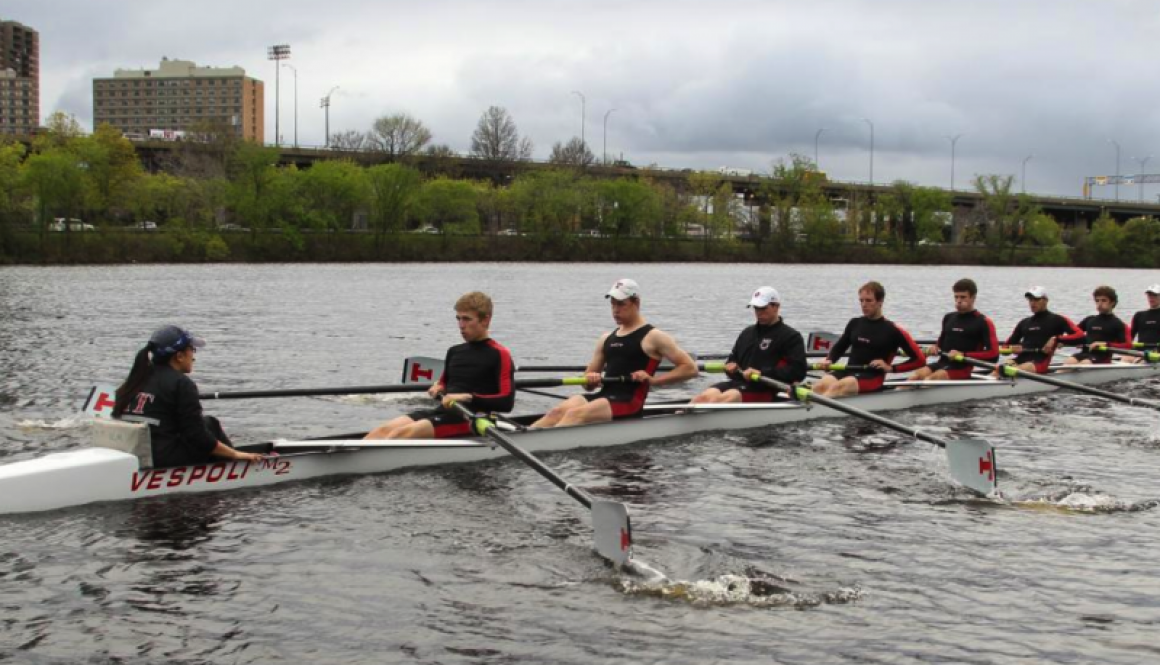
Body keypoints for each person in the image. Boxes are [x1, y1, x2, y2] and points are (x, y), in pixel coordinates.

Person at [531, 278, 697, 428]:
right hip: (604, 396)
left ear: (636, 303)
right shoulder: (605, 338)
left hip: (629, 401)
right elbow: (587, 384)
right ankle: (525, 440)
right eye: (613, 304)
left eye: (621, 304)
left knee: (574, 414)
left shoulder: (654, 337)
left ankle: (539, 447)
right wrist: (590, 380)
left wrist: (654, 381)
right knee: (557, 412)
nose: (615, 310)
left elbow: (690, 368)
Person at [365, 291, 514, 440]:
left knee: (399, 434)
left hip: (472, 419)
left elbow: (506, 402)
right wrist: (439, 387)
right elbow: (443, 384)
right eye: (458, 319)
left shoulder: (500, 354)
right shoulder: (454, 351)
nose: (461, 325)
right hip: (443, 412)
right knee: (381, 431)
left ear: (485, 320)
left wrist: (467, 397)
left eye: (467, 319)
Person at [113, 325, 263, 468]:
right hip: (162, 458)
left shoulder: (137, 378)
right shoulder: (182, 384)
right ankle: (235, 467)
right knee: (211, 424)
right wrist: (235, 454)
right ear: (179, 356)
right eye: (192, 350)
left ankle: (228, 456)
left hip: (135, 451)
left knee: (203, 425)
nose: (193, 356)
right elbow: (196, 436)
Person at [690, 286, 807, 404]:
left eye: (763, 308)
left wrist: (762, 373)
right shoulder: (747, 333)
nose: (759, 313)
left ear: (776, 306)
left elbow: (798, 371)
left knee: (726, 397)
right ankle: (681, 416)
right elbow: (733, 360)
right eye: (756, 308)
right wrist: (730, 367)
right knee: (702, 397)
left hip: (767, 388)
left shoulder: (791, 336)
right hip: (741, 384)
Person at [813, 281, 925, 397]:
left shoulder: (893, 330)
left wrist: (891, 368)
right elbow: (840, 347)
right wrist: (829, 360)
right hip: (849, 370)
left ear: (880, 302)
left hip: (872, 377)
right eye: (861, 301)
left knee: (840, 386)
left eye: (868, 300)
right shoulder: (854, 323)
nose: (864, 304)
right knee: (820, 385)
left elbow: (920, 360)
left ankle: (815, 410)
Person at [907, 278, 998, 382]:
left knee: (933, 378)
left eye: (963, 297)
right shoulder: (948, 318)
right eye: (956, 297)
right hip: (941, 363)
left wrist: (963, 355)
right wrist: (934, 348)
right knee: (915, 375)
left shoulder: (984, 322)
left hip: (962, 369)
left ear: (973, 298)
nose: (959, 301)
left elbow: (993, 354)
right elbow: (940, 345)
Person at [1000, 286, 1084, 374]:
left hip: (1039, 364)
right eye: (1030, 300)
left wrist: (1056, 339)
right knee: (1003, 367)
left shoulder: (1058, 320)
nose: (1032, 303)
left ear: (1045, 300)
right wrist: (1010, 349)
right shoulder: (1024, 322)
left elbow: (1081, 336)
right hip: (1020, 360)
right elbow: (1004, 348)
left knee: (1012, 369)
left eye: (1036, 299)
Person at [1065, 285, 1131, 365]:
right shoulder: (1089, 320)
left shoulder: (1118, 324)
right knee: (1070, 360)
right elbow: (1073, 334)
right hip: (1084, 354)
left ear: (1112, 303)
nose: (1099, 304)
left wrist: (1105, 344)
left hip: (1102, 358)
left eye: (1103, 300)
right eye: (1097, 300)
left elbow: (1127, 346)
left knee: (1085, 363)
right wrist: (1061, 341)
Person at [1127, 284, 1160, 362]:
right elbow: (1130, 337)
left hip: (1157, 352)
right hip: (1140, 351)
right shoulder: (1139, 315)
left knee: (1140, 361)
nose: (1151, 298)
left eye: (1154, 295)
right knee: (1125, 358)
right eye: (1149, 295)